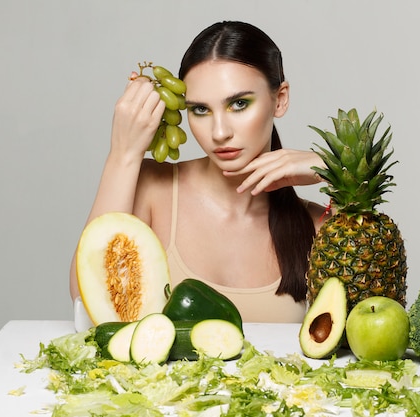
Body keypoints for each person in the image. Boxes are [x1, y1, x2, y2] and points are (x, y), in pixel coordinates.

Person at [69, 21, 329, 323]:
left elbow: (375, 327)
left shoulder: (318, 224)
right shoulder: (154, 190)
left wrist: (330, 168)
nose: (219, 132)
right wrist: (123, 155)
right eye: (201, 110)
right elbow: (85, 301)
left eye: (239, 104)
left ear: (279, 99)